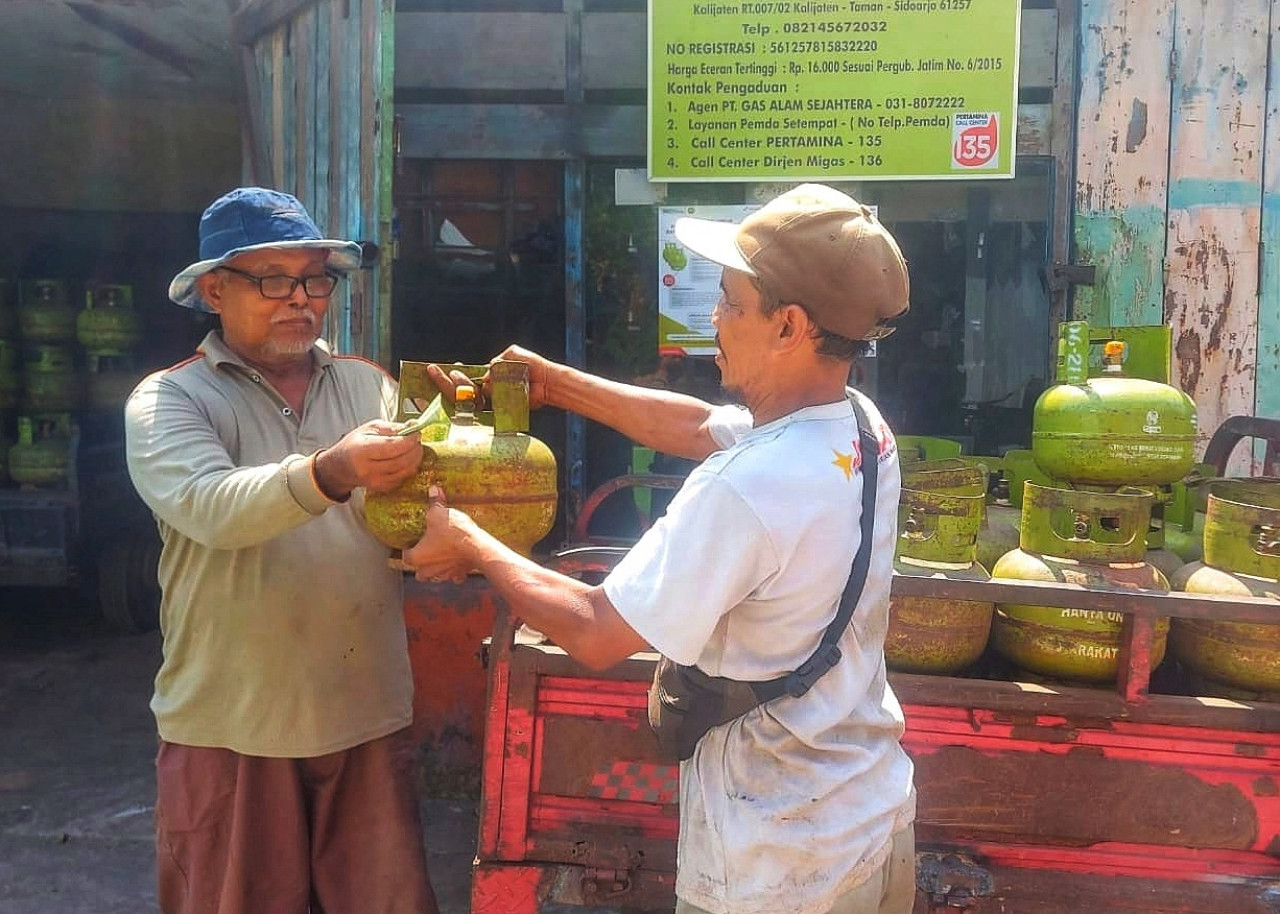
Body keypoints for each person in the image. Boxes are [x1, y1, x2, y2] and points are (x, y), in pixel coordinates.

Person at [403, 183, 917, 914]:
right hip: (868, 821)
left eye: (732, 304)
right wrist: (557, 384)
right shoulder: (857, 427)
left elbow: (595, 628)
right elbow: (702, 425)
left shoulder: (745, 487)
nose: (714, 320)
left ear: (789, 327)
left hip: (771, 867)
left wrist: (471, 544)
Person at [124, 187, 439, 914]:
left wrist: (448, 500)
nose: (300, 298)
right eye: (273, 280)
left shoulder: (369, 387)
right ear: (213, 289)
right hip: (233, 727)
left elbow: (415, 508)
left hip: (363, 715)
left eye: (315, 279)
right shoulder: (171, 401)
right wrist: (333, 470)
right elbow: (211, 509)